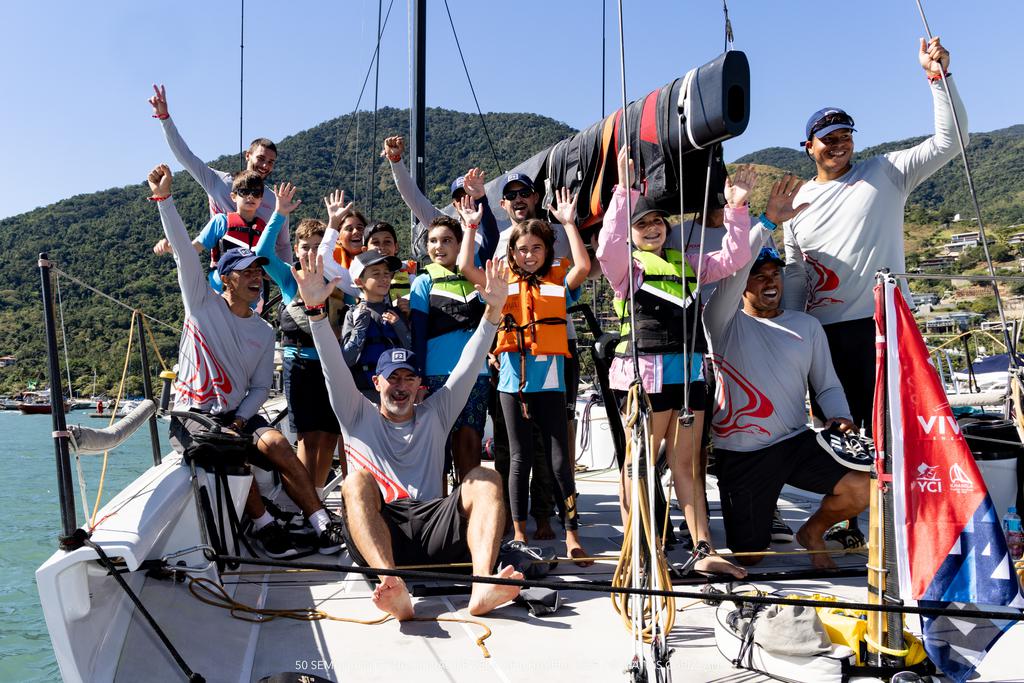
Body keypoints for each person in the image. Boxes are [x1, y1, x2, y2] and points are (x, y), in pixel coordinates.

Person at [293, 245, 522, 620]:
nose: (400, 387)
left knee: (485, 477)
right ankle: (393, 585)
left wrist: (493, 313)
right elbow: (333, 367)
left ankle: (482, 586)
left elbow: (468, 364)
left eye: (409, 379)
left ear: (420, 386)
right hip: (384, 531)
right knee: (355, 484)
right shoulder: (355, 413)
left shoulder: (437, 412)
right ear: (377, 382)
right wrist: (316, 313)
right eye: (392, 379)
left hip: (435, 526)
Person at [146, 164, 345, 559]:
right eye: (245, 272)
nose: (256, 277)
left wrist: (241, 418)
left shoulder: (262, 330)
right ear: (227, 278)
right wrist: (164, 200)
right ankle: (264, 526)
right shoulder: (201, 306)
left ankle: (321, 522)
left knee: (277, 443)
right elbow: (186, 254)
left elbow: (257, 389)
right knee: (229, 449)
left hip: (237, 414)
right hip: (195, 414)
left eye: (258, 271)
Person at [782, 37, 966, 436]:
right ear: (809, 147)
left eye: (845, 135)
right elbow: (795, 276)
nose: (839, 145)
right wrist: (795, 336)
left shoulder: (886, 172)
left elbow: (952, 142)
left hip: (885, 324)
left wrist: (938, 77)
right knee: (838, 431)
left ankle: (889, 499)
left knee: (891, 431)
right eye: (828, 139)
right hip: (824, 332)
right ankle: (849, 499)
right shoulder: (794, 203)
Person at [597, 147, 756, 578]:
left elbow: (735, 259)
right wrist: (625, 191)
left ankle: (703, 547)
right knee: (639, 463)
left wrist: (737, 209)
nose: (650, 228)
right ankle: (640, 548)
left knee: (687, 464)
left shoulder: (689, 263)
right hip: (642, 376)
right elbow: (607, 244)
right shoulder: (625, 268)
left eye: (656, 222)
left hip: (688, 375)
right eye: (641, 223)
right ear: (632, 233)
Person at [703, 176, 869, 570]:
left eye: (774, 273)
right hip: (742, 454)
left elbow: (826, 385)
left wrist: (841, 417)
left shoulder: (806, 326)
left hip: (795, 444)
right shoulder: (721, 321)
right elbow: (732, 272)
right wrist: (767, 223)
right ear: (744, 285)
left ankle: (811, 532)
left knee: (862, 488)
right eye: (758, 275)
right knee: (752, 556)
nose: (768, 280)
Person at [459, 188, 593, 564]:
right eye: (522, 249)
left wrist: (569, 223)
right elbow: (467, 268)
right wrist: (470, 229)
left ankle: (571, 533)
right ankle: (518, 530)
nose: (529, 255)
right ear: (511, 253)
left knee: (558, 460)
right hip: (509, 384)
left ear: (546, 252)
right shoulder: (500, 284)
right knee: (518, 459)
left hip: (549, 382)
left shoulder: (557, 282)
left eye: (536, 249)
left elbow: (582, 267)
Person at [251, 186, 343, 492]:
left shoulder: (336, 278)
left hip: (330, 369)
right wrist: (279, 214)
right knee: (307, 437)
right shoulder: (290, 277)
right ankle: (307, 505)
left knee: (329, 435)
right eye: (304, 246)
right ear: (297, 248)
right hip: (299, 368)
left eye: (318, 246)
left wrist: (334, 223)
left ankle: (315, 496)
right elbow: (262, 254)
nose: (310, 252)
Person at [147, 84, 290, 263]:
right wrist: (164, 118)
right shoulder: (218, 181)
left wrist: (288, 285)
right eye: (260, 158)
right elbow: (185, 156)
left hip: (256, 280)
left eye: (270, 162)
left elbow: (283, 245)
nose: (264, 165)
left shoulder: (275, 201)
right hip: (222, 274)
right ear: (247, 155)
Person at [410, 215, 490, 481]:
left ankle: (468, 512)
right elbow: (417, 336)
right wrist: (418, 379)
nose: (438, 246)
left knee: (470, 441)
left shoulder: (478, 278)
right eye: (432, 241)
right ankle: (438, 513)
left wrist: (475, 221)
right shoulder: (423, 281)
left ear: (460, 245)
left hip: (477, 375)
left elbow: (492, 239)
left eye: (446, 240)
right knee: (437, 449)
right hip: (436, 376)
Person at [381, 135, 499, 263]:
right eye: (460, 198)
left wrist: (481, 199)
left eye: (470, 195)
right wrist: (396, 161)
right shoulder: (445, 225)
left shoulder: (497, 226)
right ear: (454, 205)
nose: (466, 201)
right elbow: (412, 196)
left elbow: (492, 233)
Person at [342, 251, 413, 402]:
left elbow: (411, 351)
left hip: (396, 392)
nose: (384, 278)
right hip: (364, 393)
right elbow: (347, 358)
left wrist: (399, 324)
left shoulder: (397, 314)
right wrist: (360, 327)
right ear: (359, 281)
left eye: (387, 273)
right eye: (376, 273)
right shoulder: (352, 315)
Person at [363, 221, 418, 305]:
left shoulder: (411, 280)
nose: (381, 247)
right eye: (375, 242)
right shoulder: (360, 281)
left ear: (396, 247)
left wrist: (409, 312)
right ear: (365, 250)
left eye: (387, 242)